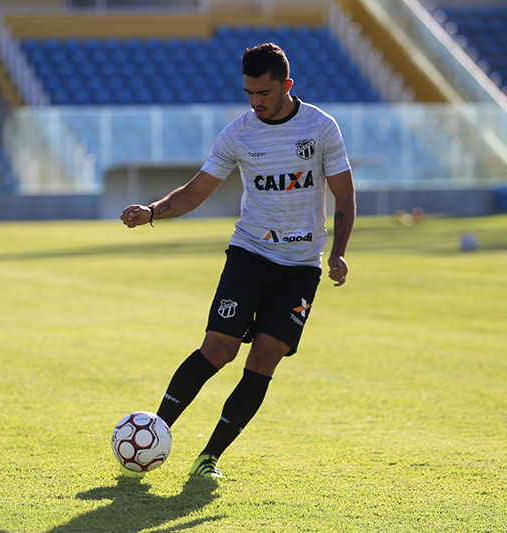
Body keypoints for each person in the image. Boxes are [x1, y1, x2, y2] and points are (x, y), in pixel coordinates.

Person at [120, 43, 356, 479]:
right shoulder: (238, 134)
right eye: (248, 92)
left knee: (264, 360)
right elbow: (195, 191)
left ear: (286, 86)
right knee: (219, 349)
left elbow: (344, 194)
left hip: (301, 266)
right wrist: (152, 211)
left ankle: (208, 458)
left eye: (264, 93)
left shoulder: (321, 128)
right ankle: (153, 434)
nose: (255, 102)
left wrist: (338, 252)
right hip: (249, 253)